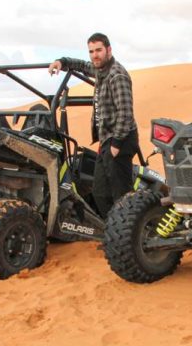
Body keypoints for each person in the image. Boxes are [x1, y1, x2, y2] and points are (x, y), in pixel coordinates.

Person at [49, 32, 139, 217]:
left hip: (120, 140)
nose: (95, 55)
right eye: (91, 51)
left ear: (108, 50)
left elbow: (125, 113)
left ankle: (127, 239)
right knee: (100, 193)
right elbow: (82, 65)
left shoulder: (117, 76)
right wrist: (62, 62)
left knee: (121, 195)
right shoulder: (100, 69)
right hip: (107, 140)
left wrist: (117, 144)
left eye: (99, 50)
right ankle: (113, 233)